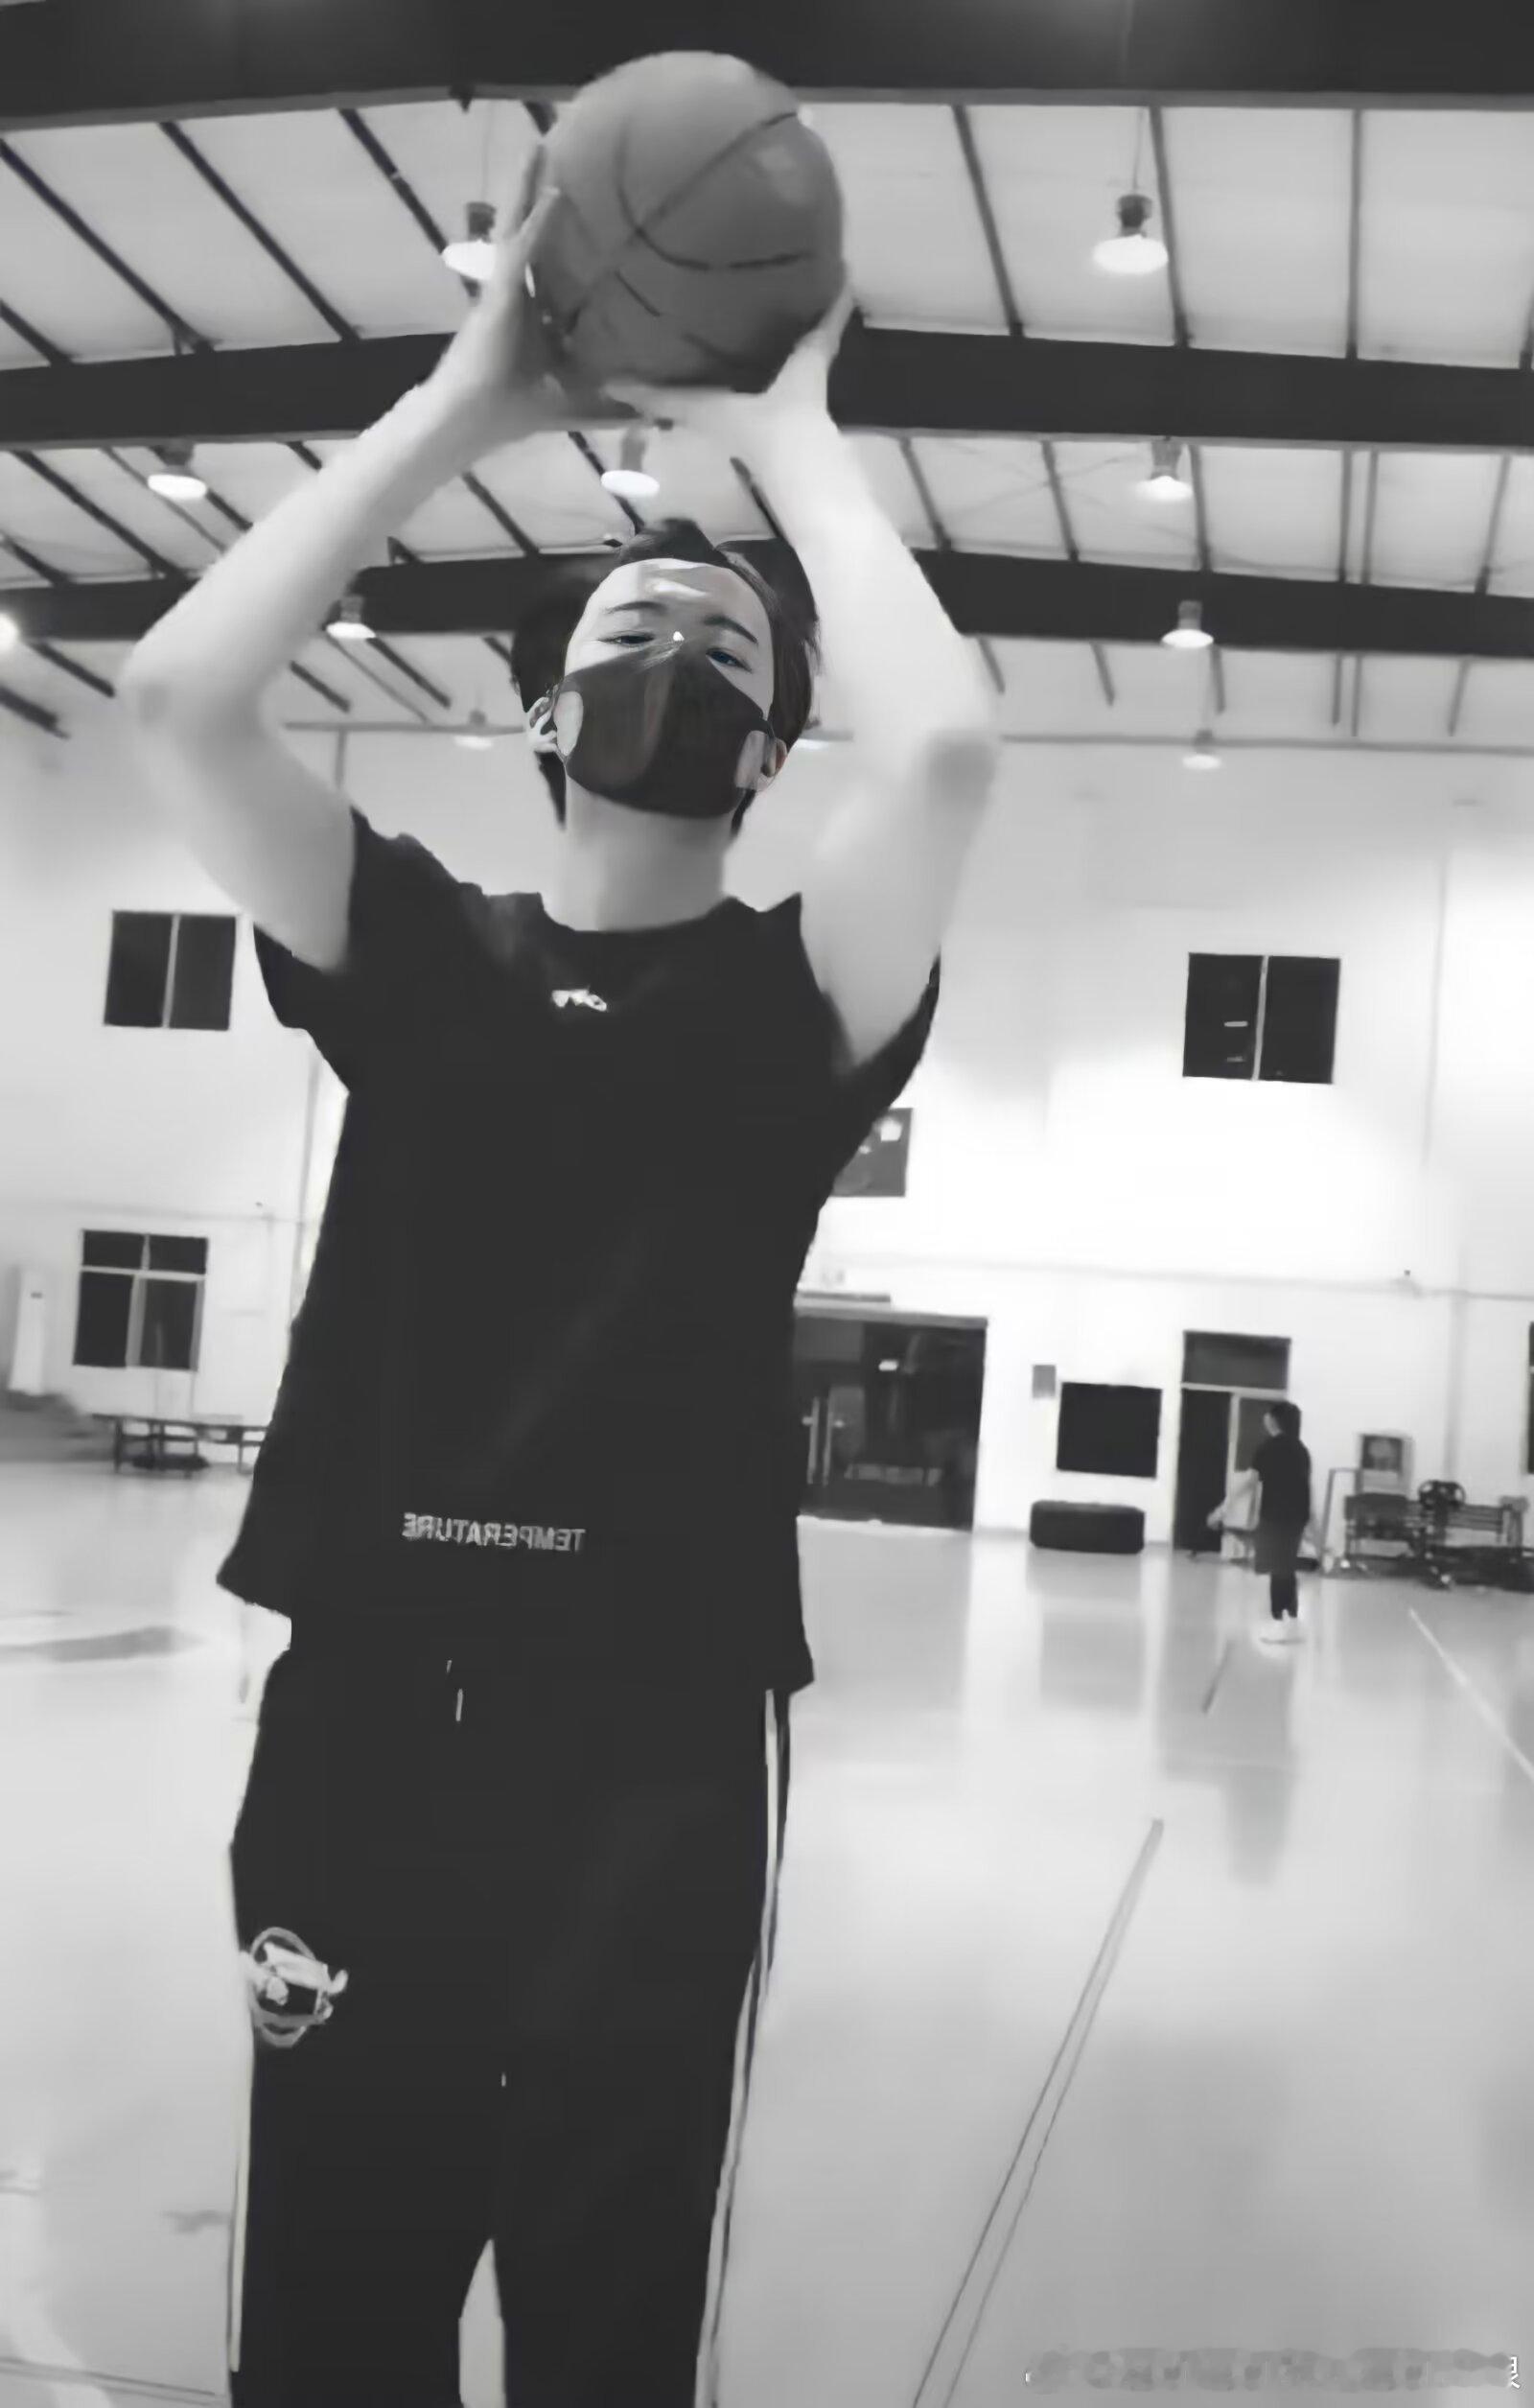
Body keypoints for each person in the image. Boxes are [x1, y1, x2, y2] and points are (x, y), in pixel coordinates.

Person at [118, 162, 998, 2408]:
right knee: (333, 2325)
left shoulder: (798, 997)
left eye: (729, 638)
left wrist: (786, 433)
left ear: (765, 748)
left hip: (654, 1747)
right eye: (627, 615)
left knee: (603, 2336)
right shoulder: (416, 951)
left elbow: (945, 750)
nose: (677, 632)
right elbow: (181, 693)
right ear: (539, 718)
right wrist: (460, 401)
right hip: (367, 1719)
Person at [1209, 1402, 1315, 1641]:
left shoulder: (1269, 1448)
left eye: (1268, 1417)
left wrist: (1222, 1509)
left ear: (1274, 1420)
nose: (1264, 1420)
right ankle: (1292, 1622)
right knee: (1286, 1568)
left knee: (1279, 1570)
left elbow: (1249, 1482)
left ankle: (1280, 1623)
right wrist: (1313, 1527)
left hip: (1276, 1516)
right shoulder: (1301, 1450)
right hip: (1297, 1517)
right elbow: (1307, 1488)